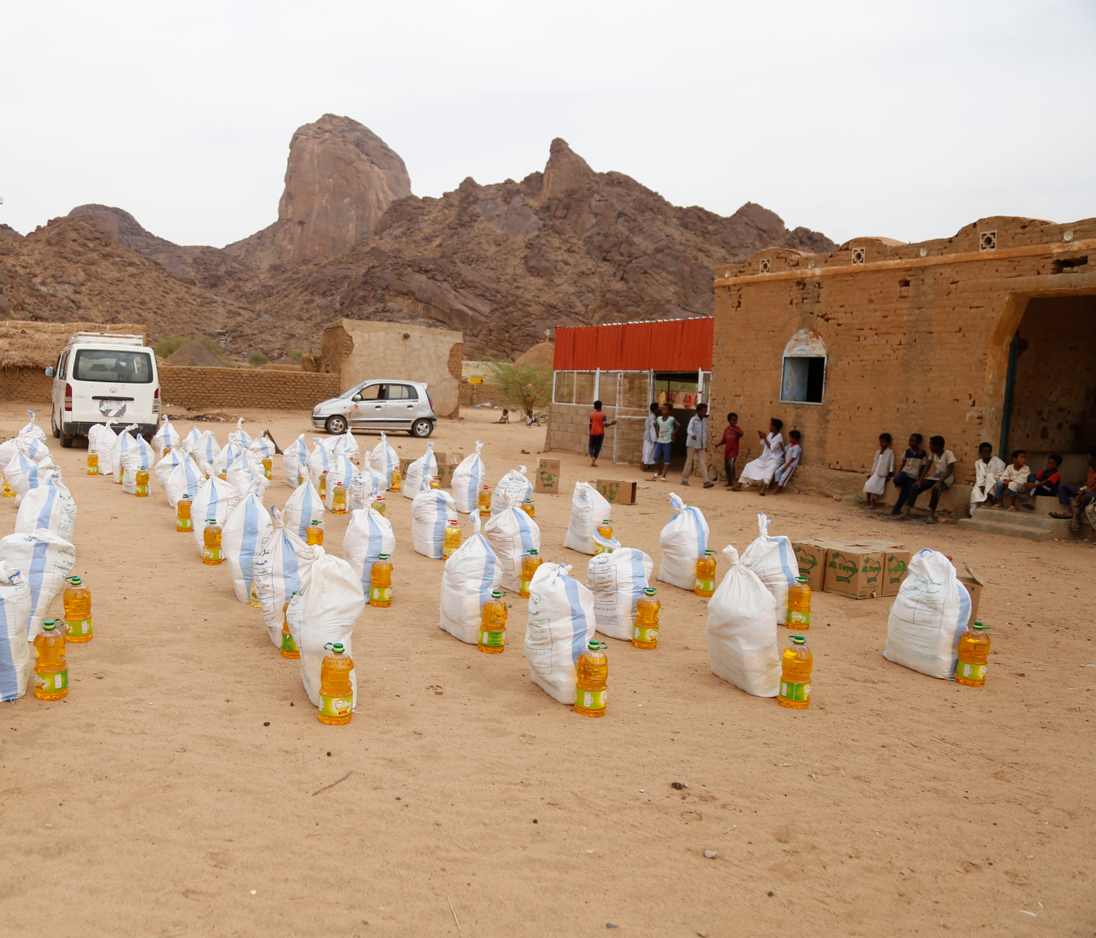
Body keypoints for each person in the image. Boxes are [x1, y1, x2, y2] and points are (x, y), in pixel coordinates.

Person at [897, 434, 955, 523]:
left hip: (945, 479)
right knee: (915, 486)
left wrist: (940, 481)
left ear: (937, 446)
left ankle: (931, 515)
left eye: (931, 444)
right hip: (934, 477)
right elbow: (927, 466)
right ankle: (906, 512)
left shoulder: (948, 453)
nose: (929, 446)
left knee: (936, 488)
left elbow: (950, 469)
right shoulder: (933, 454)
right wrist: (920, 480)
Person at [1050, 446, 1096, 532]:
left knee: (1089, 496)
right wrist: (1080, 492)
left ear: (1093, 457)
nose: (1087, 458)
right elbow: (1086, 485)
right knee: (1063, 487)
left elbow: (1091, 490)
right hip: (1086, 492)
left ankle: (1077, 515)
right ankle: (1068, 511)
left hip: (1092, 495)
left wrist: (1085, 493)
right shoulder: (1091, 469)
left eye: (1088, 456)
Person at [732, 418, 784, 491]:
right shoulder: (770, 434)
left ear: (774, 427)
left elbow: (772, 448)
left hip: (775, 459)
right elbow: (764, 443)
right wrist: (761, 436)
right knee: (749, 465)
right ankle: (739, 484)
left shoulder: (779, 437)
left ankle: (764, 488)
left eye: (770, 425)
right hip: (765, 458)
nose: (769, 427)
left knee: (771, 469)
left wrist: (765, 438)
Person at [890, 434, 928, 516]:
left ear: (918, 442)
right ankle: (901, 483)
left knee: (904, 494)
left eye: (912, 441)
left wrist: (920, 479)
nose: (910, 442)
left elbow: (923, 467)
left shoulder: (922, 453)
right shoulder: (907, 452)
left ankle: (895, 509)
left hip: (913, 476)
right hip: (905, 473)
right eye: (909, 440)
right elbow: (903, 463)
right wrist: (900, 473)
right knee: (896, 480)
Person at [681, 403, 714, 488]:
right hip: (692, 443)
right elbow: (689, 429)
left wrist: (705, 444)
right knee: (689, 461)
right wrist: (692, 435)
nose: (705, 413)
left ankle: (706, 481)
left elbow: (704, 433)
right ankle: (685, 479)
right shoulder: (693, 420)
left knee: (703, 462)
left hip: (701, 445)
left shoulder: (705, 421)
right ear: (698, 411)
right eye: (703, 411)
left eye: (706, 411)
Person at [970, 441, 1005, 511]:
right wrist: (982, 486)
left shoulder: (997, 461)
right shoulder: (978, 463)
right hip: (982, 483)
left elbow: (1001, 475)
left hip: (995, 482)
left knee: (990, 476)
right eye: (985, 452)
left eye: (989, 452)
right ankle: (973, 512)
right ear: (980, 453)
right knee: (975, 492)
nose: (987, 454)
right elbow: (979, 477)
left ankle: (989, 500)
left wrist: (990, 479)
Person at [765, 429, 801, 495]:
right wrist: (781, 445)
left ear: (795, 438)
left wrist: (787, 466)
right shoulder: (790, 445)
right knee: (777, 472)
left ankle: (777, 489)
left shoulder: (797, 447)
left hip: (791, 465)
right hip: (786, 463)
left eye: (790, 437)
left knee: (784, 477)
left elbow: (793, 458)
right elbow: (784, 450)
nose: (789, 439)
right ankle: (777, 486)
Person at [863, 433, 894, 508]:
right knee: (868, 485)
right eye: (880, 442)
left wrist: (889, 475)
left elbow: (891, 464)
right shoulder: (878, 452)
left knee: (876, 488)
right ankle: (868, 501)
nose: (881, 444)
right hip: (875, 472)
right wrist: (872, 473)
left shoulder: (890, 453)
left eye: (883, 442)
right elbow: (875, 462)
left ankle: (873, 504)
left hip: (882, 473)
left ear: (888, 442)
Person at [651, 403, 677, 481]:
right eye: (662, 409)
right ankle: (660, 471)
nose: (663, 411)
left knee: (666, 459)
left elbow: (678, 425)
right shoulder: (659, 418)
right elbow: (654, 425)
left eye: (665, 409)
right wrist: (657, 433)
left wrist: (673, 433)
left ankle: (664, 476)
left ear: (669, 411)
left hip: (667, 441)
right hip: (660, 441)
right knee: (656, 458)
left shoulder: (671, 419)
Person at [588, 400, 616, 467]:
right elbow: (605, 425)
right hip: (600, 433)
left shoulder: (591, 414)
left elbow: (590, 424)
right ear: (601, 407)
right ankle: (594, 460)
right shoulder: (603, 415)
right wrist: (612, 423)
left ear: (594, 407)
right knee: (598, 447)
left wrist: (590, 432)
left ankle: (592, 456)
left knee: (591, 446)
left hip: (593, 433)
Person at [722, 412, 744, 488]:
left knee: (730, 463)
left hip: (734, 450)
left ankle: (734, 478)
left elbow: (741, 434)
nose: (735, 422)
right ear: (729, 421)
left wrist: (734, 429)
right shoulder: (726, 430)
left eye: (736, 420)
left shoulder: (737, 429)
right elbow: (724, 440)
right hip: (727, 450)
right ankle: (729, 482)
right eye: (733, 420)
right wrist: (717, 445)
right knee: (727, 466)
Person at [641, 402, 659, 471]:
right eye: (658, 408)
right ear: (655, 409)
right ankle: (644, 467)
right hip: (650, 438)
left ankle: (644, 466)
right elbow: (652, 430)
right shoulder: (653, 418)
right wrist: (655, 439)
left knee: (646, 452)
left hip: (647, 437)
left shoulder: (650, 417)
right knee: (649, 452)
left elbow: (646, 425)